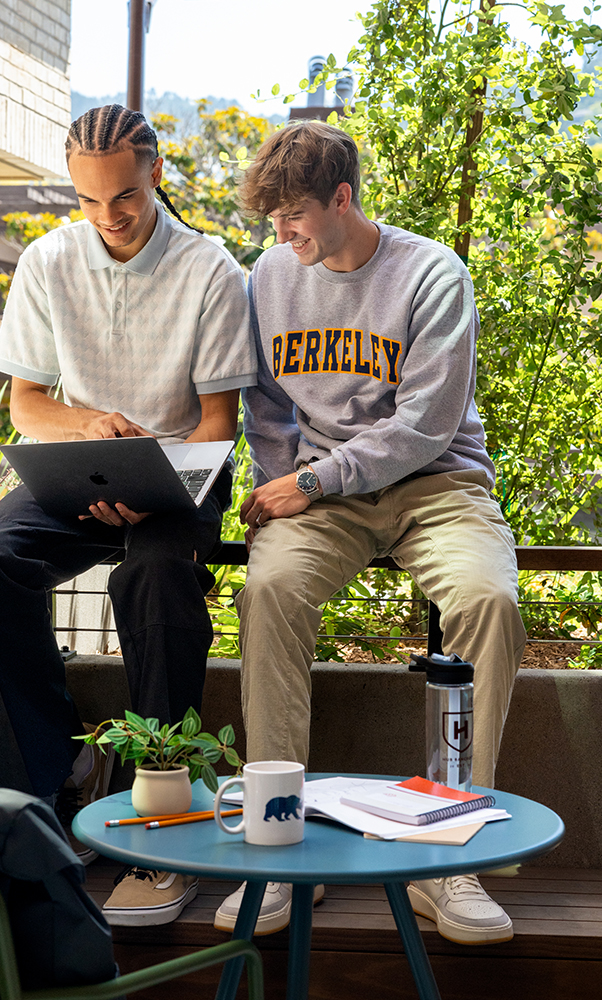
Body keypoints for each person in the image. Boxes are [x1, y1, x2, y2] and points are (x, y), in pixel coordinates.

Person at [0, 104, 256, 926]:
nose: (107, 215)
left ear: (154, 172)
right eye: (87, 200)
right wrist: (87, 433)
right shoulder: (49, 262)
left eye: (122, 195)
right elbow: (30, 406)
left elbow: (219, 424)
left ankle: (164, 805)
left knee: (153, 575)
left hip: (183, 475)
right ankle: (69, 762)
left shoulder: (212, 270)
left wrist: (151, 480)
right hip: (79, 467)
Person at [213, 120, 526, 944]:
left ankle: (448, 858)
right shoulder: (270, 276)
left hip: (436, 482)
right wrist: (283, 481)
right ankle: (278, 844)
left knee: (490, 601)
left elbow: (426, 425)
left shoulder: (431, 273)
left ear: (342, 197)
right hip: (324, 494)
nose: (279, 236)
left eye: (293, 219)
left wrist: (314, 477)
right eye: (272, 223)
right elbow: (269, 406)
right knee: (270, 591)